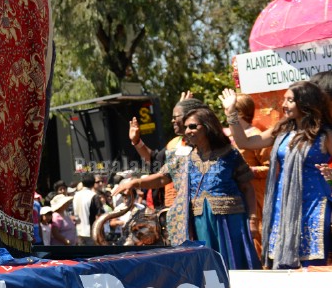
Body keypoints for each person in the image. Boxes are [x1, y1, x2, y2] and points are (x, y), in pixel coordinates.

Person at [115, 107, 260, 269]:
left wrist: (253, 220)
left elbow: (247, 188)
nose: (188, 131)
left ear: (208, 126)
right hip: (200, 222)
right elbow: (162, 177)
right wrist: (135, 182)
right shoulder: (183, 157)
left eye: (193, 126)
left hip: (231, 221)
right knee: (210, 269)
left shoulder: (229, 154)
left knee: (235, 265)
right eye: (186, 127)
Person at [221, 82, 332, 269]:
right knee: (283, 263)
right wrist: (230, 112)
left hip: (315, 204)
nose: (284, 104)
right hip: (284, 205)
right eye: (284, 99)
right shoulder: (281, 130)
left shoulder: (324, 134)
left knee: (311, 263)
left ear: (306, 103)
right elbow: (245, 141)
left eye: (290, 100)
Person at [227, 93, 269, 254]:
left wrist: (250, 171)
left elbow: (271, 167)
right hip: (236, 196)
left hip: (256, 196)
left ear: (240, 112)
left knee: (257, 238)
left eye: (229, 109)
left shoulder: (256, 135)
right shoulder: (229, 137)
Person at [72, 176, 103, 246]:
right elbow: (99, 216)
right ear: (93, 184)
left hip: (78, 230)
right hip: (90, 231)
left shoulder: (76, 195)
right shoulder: (94, 196)